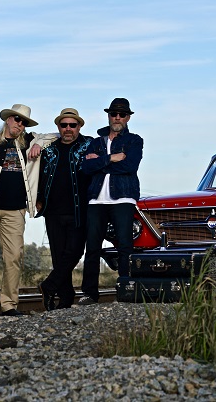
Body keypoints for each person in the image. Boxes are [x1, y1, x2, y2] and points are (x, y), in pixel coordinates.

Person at [0, 104, 57, 317]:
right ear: (8, 119)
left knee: (14, 256)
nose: (20, 124)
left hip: (15, 210)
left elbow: (57, 135)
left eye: (24, 122)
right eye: (17, 119)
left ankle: (8, 304)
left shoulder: (29, 141)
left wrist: (39, 143)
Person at [78, 98, 144, 305]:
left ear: (128, 118)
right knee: (92, 248)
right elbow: (85, 168)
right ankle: (90, 294)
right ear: (108, 116)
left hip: (123, 198)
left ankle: (125, 291)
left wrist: (98, 163)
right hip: (96, 200)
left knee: (125, 246)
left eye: (121, 114)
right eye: (113, 114)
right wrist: (111, 158)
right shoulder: (96, 142)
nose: (117, 117)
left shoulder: (134, 141)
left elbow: (129, 167)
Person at [36, 108, 92, 310]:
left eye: (72, 125)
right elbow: (38, 175)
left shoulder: (89, 145)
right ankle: (65, 298)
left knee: (75, 252)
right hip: (52, 210)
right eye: (64, 125)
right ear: (58, 127)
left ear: (79, 127)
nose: (68, 129)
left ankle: (49, 285)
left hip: (79, 210)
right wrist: (38, 198)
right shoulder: (49, 148)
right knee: (59, 256)